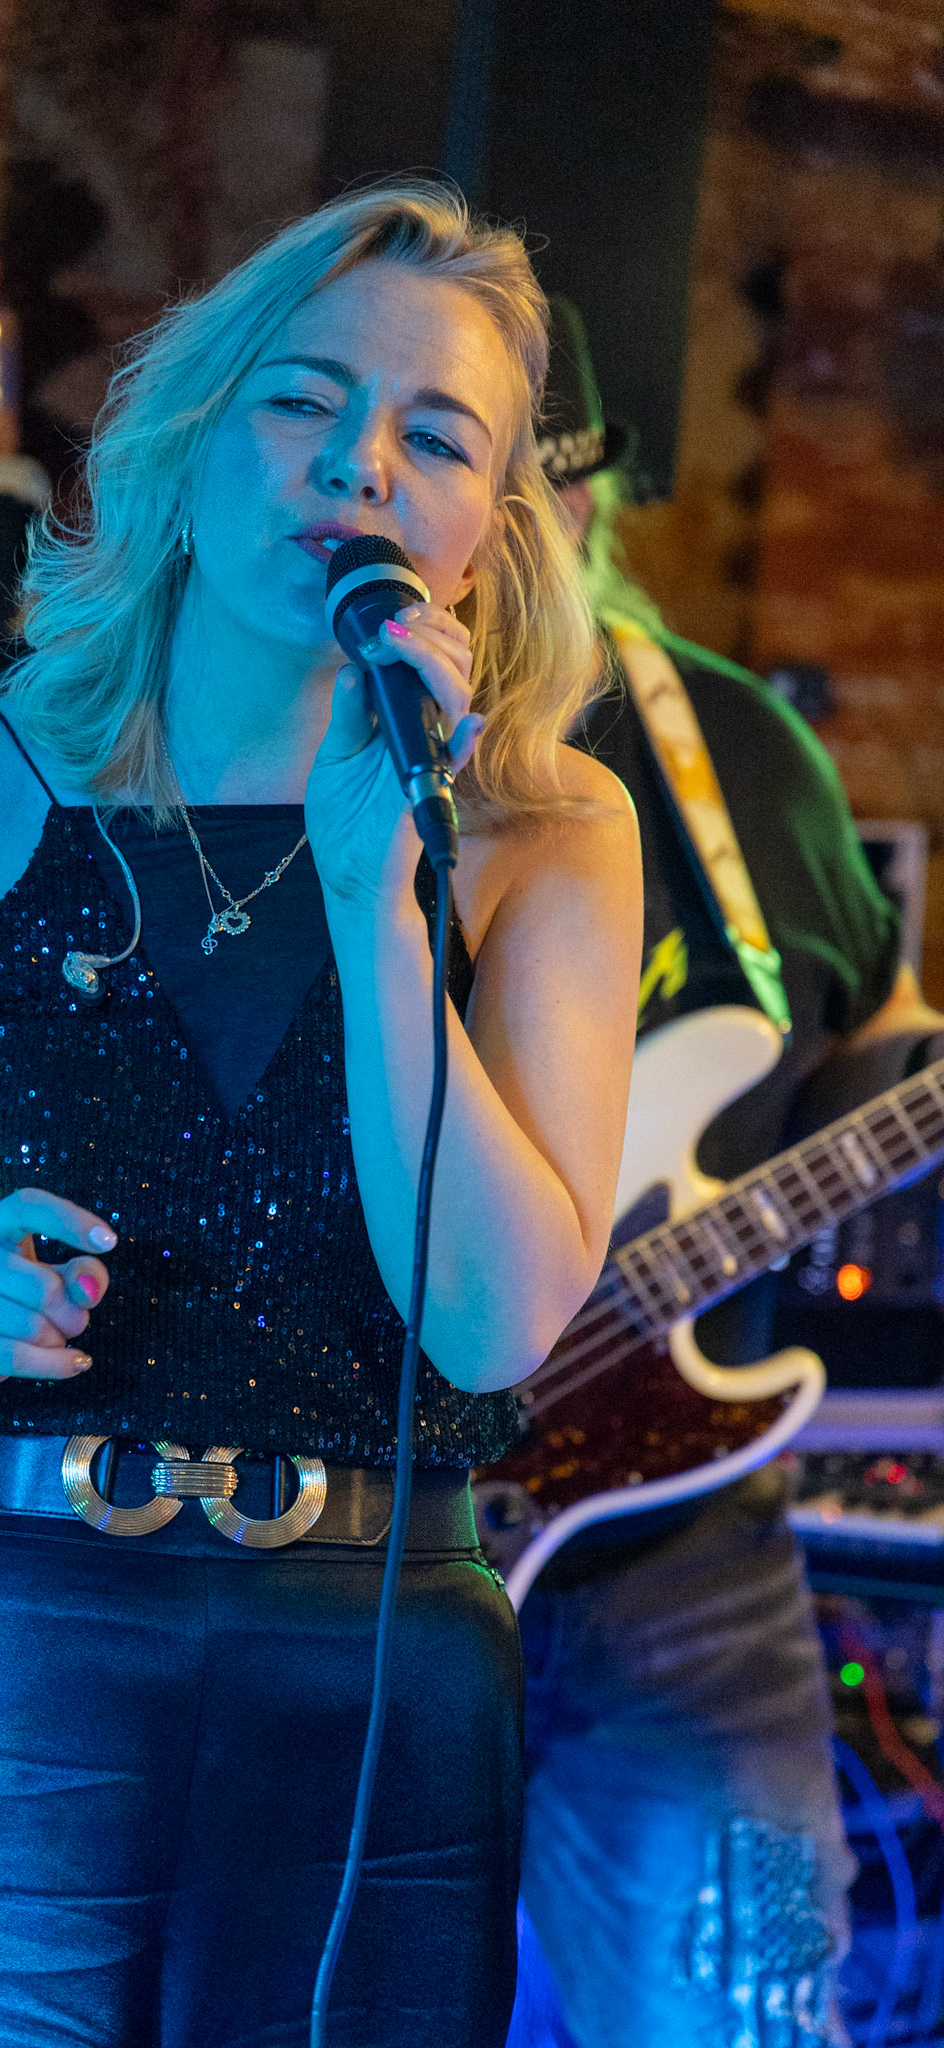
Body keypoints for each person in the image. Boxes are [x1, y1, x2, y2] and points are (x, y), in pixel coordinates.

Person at [0, 187, 642, 2048]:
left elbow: (496, 1320)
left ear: (488, 538)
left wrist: (375, 902)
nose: (358, 465)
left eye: (435, 439)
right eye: (301, 401)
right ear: (185, 442)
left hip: (371, 1681)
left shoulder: (544, 836)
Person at [506, 300, 944, 2048]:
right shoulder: (322, 749)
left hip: (684, 1545)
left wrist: (904, 1099)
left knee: (753, 2002)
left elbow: (869, 1023)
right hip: (358, 1553)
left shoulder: (733, 749)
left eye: (561, 485)